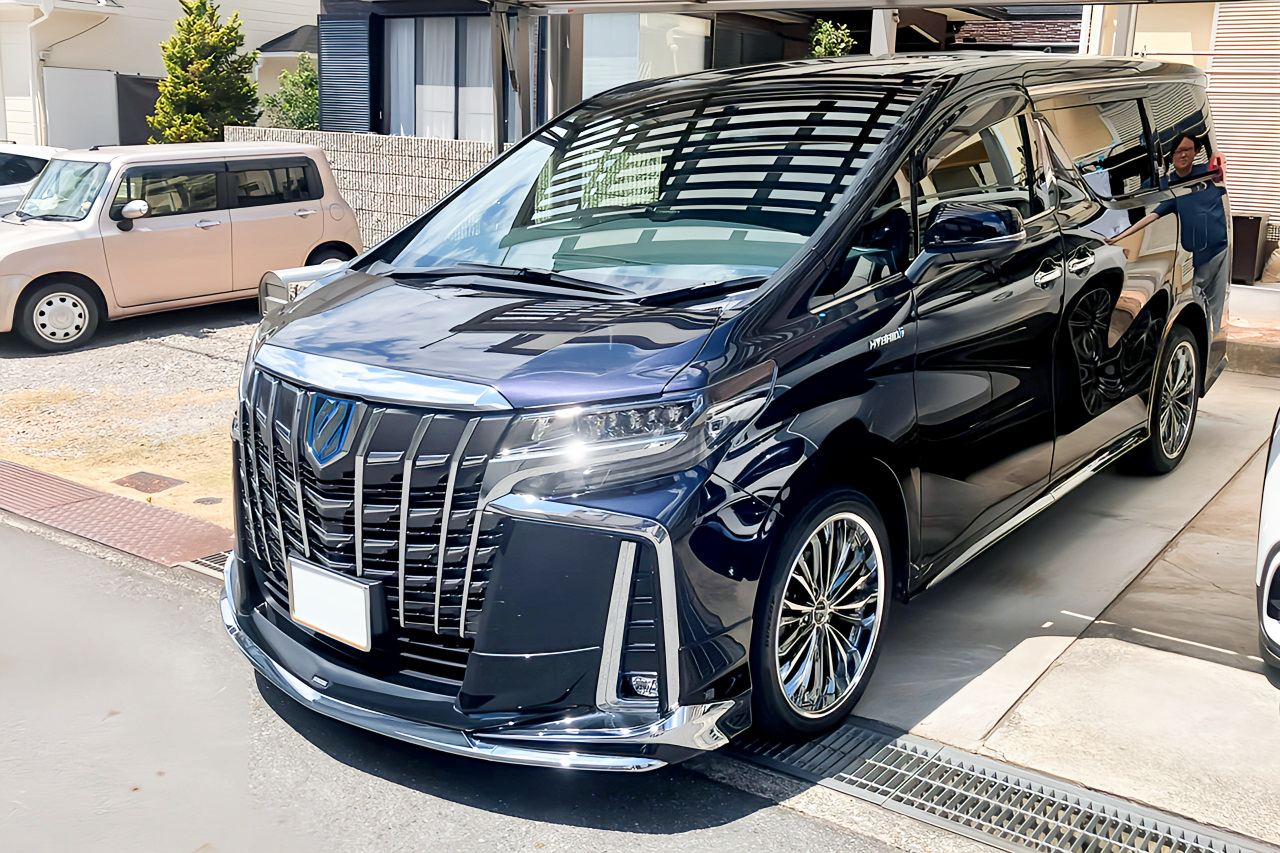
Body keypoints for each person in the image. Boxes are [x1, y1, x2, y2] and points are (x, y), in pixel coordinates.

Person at [1106, 133, 1229, 332]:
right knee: (1197, 298)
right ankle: (1203, 336)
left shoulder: (1206, 173)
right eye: (1179, 151)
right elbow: (1150, 217)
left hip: (1221, 249)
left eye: (1187, 150)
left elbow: (1221, 164)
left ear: (1196, 151)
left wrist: (1219, 156)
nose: (1183, 155)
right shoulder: (1170, 187)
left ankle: (1211, 341)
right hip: (1199, 255)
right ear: (1171, 156)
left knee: (1217, 304)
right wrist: (1118, 237)